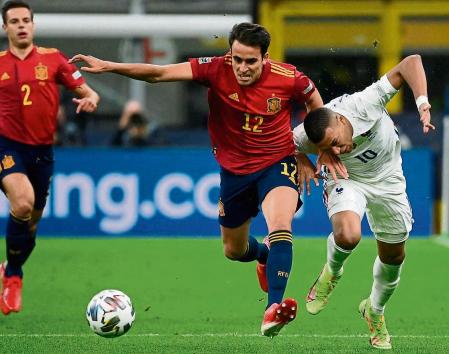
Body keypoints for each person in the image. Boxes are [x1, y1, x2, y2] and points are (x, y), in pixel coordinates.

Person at [69, 22, 324, 337]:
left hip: (277, 162)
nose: (242, 68)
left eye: (251, 61)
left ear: (265, 58)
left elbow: (315, 105)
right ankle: (264, 256)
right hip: (234, 172)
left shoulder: (290, 78)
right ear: (229, 54)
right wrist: (110, 66)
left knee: (281, 225)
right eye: (237, 59)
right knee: (233, 249)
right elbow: (159, 73)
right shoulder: (215, 70)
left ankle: (273, 308)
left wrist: (309, 149)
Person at [292, 54, 434, 349]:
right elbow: (281, 141)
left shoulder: (365, 104)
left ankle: (375, 310)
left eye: (334, 141)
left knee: (394, 257)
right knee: (348, 234)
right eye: (326, 147)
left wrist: (422, 103)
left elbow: (411, 62)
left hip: (387, 178)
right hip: (347, 179)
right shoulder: (309, 134)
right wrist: (303, 159)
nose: (336, 148)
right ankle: (331, 272)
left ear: (343, 120)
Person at [0, 0, 100, 315]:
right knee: (23, 202)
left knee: (30, 225)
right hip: (6, 146)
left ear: (33, 24)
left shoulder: (52, 58)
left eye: (25, 20)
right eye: (14, 21)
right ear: (5, 28)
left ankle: (10, 267)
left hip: (42, 152)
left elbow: (87, 91)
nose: (20, 25)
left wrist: (91, 99)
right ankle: (15, 277)